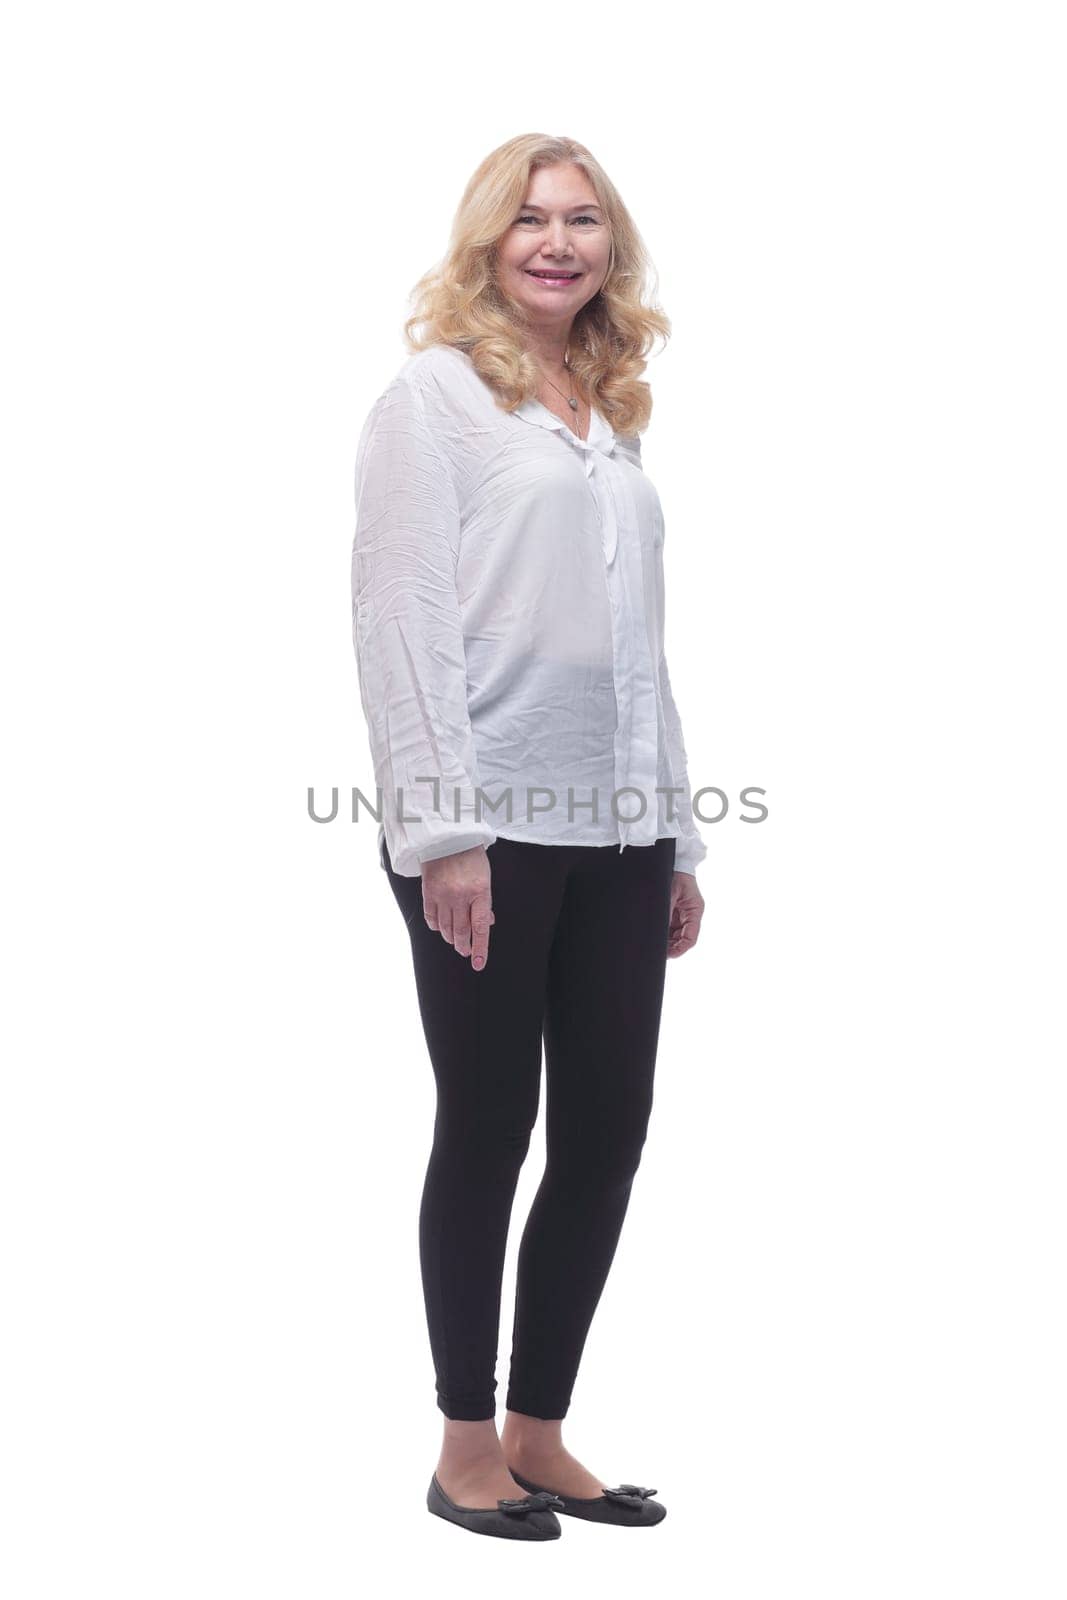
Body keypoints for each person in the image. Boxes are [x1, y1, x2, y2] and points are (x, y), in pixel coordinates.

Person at [350, 133, 706, 1540]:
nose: (557, 244)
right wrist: (442, 832)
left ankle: (541, 1432)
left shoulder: (608, 411)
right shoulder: (432, 400)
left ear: (609, 250)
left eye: (584, 223)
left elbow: (638, 646)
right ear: (486, 241)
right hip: (486, 827)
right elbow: (400, 617)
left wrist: (676, 835)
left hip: (618, 826)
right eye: (530, 221)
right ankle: (461, 1447)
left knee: (609, 1132)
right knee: (493, 1124)